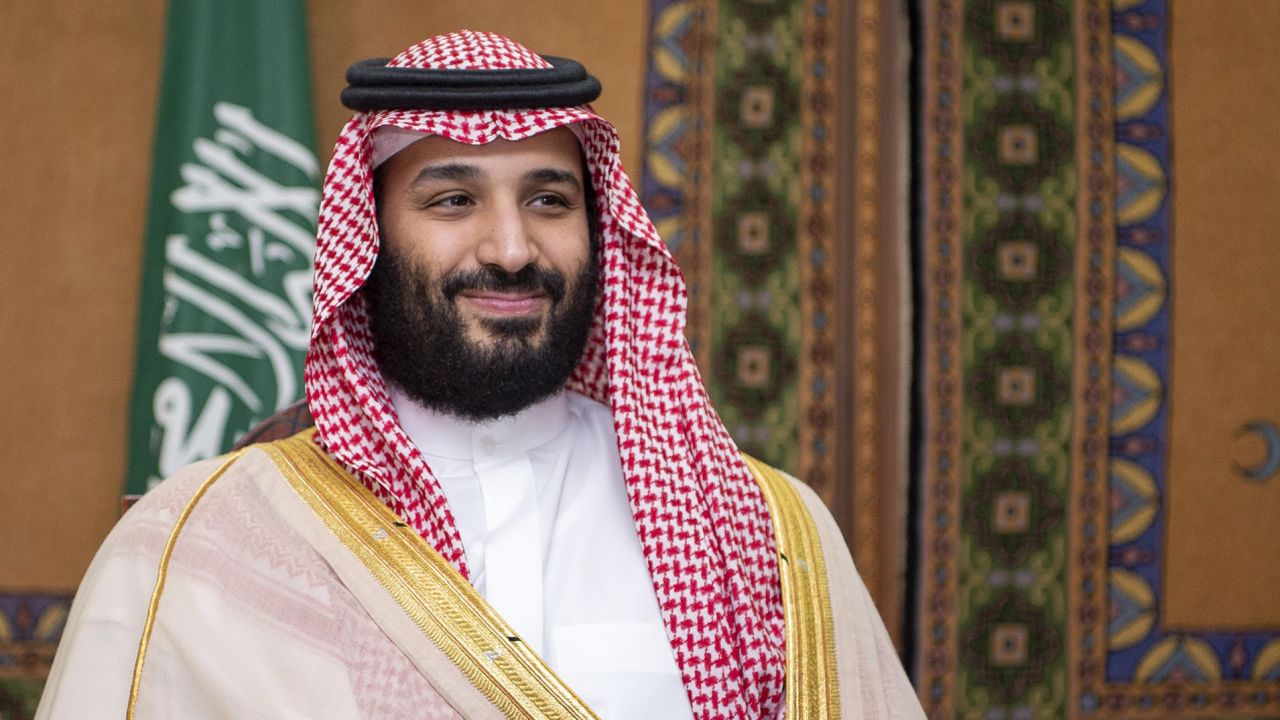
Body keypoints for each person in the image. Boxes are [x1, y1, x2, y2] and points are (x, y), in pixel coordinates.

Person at [38, 31, 924, 720]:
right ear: (367, 240)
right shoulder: (201, 541)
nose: (510, 248)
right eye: (453, 200)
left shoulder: (766, 535)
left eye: (549, 199)